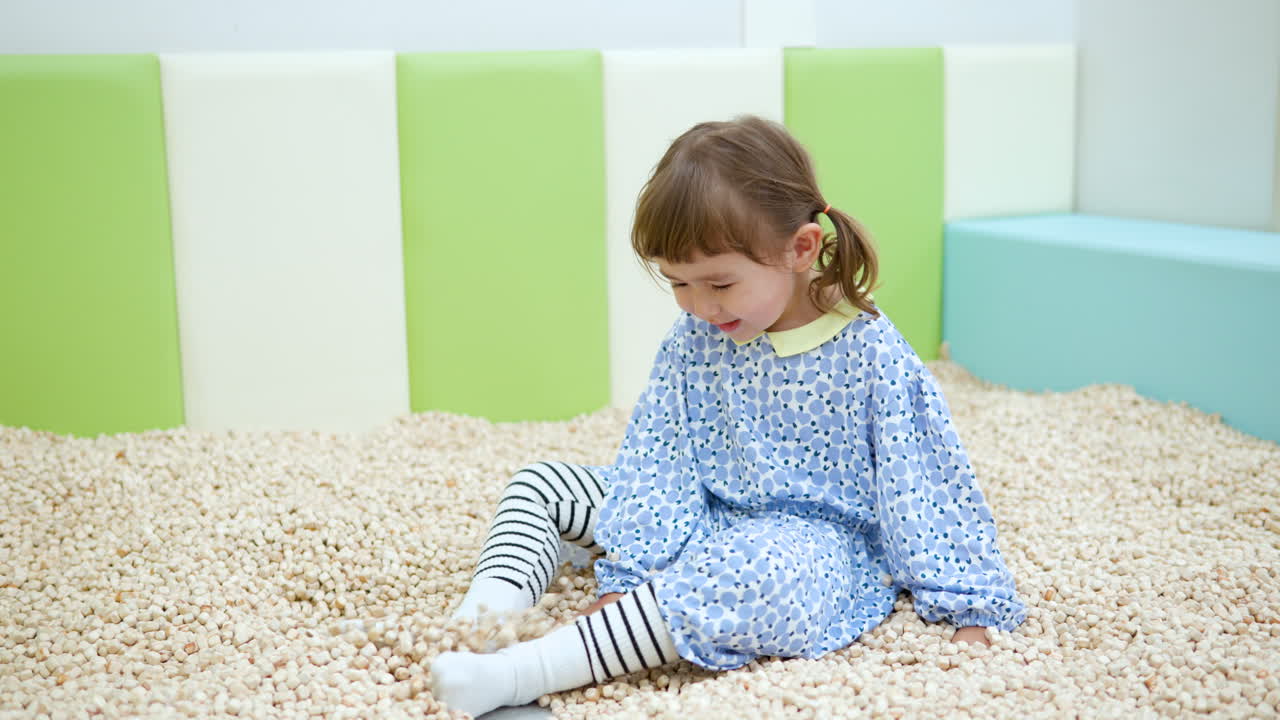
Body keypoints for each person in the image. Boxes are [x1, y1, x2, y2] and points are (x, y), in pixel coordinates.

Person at [430, 115, 1026, 717]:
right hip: (701, 509)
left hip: (812, 542)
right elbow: (658, 455)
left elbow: (924, 483)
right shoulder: (696, 335)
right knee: (541, 484)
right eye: (678, 284)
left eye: (718, 283)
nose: (699, 305)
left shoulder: (869, 351)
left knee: (757, 573)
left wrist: (968, 606)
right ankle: (478, 625)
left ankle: (522, 671)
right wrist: (630, 573)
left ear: (800, 249)